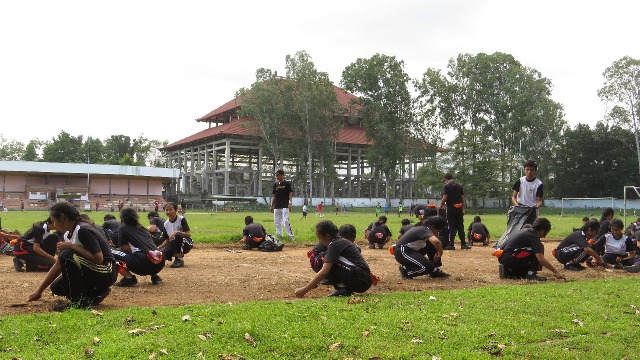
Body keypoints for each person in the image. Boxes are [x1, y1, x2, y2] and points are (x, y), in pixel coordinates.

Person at [27, 202, 117, 311]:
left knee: (67, 255)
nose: (54, 225)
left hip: (107, 271)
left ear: (62, 217)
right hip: (93, 269)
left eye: (54, 221)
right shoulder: (67, 234)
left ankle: (79, 301)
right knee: (57, 287)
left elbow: (99, 259)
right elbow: (59, 264)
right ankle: (94, 294)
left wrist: (72, 246)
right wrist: (39, 291)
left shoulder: (82, 230)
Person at [295, 220, 372, 298]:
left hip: (361, 280)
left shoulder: (335, 244)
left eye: (320, 238)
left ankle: (343, 288)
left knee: (325, 258)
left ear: (327, 236)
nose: (319, 241)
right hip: (361, 278)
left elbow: (324, 271)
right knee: (327, 258)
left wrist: (305, 289)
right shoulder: (336, 241)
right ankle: (343, 288)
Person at [496, 218, 565, 281]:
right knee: (538, 249)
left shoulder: (525, 230)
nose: (545, 235)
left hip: (504, 257)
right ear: (542, 230)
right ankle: (531, 274)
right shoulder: (533, 237)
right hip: (511, 257)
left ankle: (509, 271)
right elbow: (541, 260)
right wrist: (556, 272)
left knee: (521, 274)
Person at [111, 207, 165, 286]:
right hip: (160, 261)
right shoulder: (143, 228)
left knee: (110, 252)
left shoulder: (123, 228)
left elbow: (125, 249)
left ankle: (129, 278)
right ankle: (155, 276)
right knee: (147, 251)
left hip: (143, 263)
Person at [158, 202, 194, 268]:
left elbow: (188, 234)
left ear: (175, 210)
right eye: (167, 210)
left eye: (170, 209)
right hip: (174, 244)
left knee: (178, 236)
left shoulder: (181, 219)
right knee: (161, 255)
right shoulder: (166, 224)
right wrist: (159, 248)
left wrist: (177, 232)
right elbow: (167, 240)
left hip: (186, 243)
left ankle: (179, 258)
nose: (168, 212)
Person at [440, 173, 469, 250]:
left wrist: (440, 206)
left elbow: (445, 198)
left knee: (451, 226)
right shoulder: (459, 186)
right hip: (459, 209)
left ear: (446, 179)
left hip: (450, 209)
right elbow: (462, 198)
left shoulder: (446, 186)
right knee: (460, 226)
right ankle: (463, 244)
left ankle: (451, 244)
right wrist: (462, 209)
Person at [270, 169, 294, 240]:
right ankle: (279, 235)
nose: (277, 176)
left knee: (286, 221)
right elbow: (274, 195)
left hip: (285, 205)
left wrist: (290, 203)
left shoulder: (287, 184)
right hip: (277, 205)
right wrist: (271, 205)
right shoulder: (275, 185)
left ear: (283, 175)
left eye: (278, 175)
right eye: (276, 175)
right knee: (277, 221)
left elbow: (290, 193)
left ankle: (291, 237)